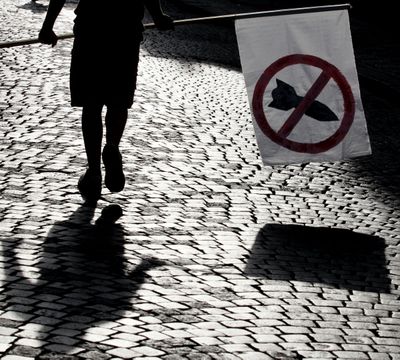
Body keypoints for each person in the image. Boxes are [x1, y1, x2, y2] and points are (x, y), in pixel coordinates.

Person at [39, 0, 173, 204]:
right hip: (125, 32)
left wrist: (47, 26)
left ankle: (93, 171)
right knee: (118, 100)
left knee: (91, 105)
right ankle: (111, 146)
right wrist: (158, 16)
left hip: (91, 30)